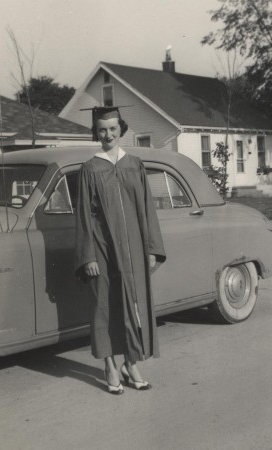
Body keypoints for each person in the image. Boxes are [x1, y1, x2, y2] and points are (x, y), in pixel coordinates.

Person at [75, 106, 166, 395]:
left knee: (133, 307)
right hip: (102, 249)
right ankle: (110, 365)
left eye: (113, 128)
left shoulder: (135, 164)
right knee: (105, 307)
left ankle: (131, 362)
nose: (108, 134)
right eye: (102, 129)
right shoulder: (90, 169)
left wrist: (151, 247)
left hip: (134, 250)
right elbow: (83, 217)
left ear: (121, 129)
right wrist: (87, 254)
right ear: (96, 132)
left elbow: (148, 209)